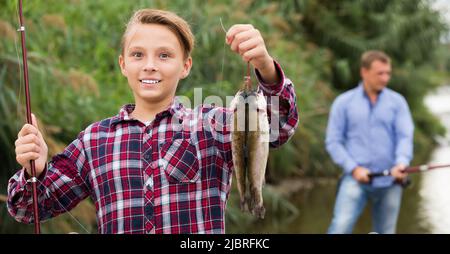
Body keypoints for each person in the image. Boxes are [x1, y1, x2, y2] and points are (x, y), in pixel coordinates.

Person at [8, 9, 299, 234]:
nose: (150, 64)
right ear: (123, 63)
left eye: (164, 55)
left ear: (185, 66)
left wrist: (264, 66)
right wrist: (36, 167)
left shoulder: (213, 125)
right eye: (138, 54)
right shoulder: (93, 141)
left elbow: (278, 127)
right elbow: (27, 208)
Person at [325, 50, 414, 234]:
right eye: (379, 73)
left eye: (388, 73)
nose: (385, 78)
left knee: (386, 232)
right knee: (340, 227)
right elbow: (333, 142)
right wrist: (354, 168)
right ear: (364, 72)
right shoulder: (343, 103)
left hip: (391, 181)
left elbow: (405, 136)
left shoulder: (398, 102)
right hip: (355, 179)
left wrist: (402, 163)